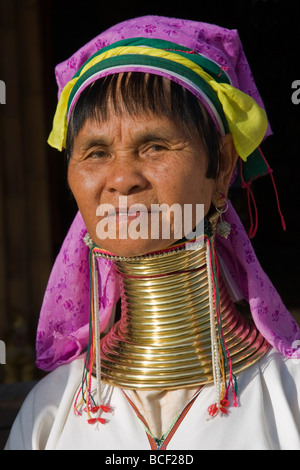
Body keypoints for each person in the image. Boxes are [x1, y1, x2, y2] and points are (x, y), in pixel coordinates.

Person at [5, 15, 300, 450]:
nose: (122, 178)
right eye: (97, 152)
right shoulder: (48, 415)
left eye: (155, 146)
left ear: (220, 166)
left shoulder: (290, 396)